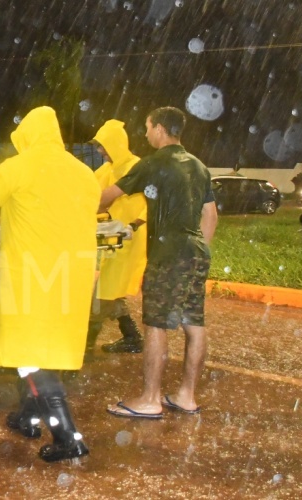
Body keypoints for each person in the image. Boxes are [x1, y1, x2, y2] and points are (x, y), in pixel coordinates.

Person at [0, 106, 100, 462]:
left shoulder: (20, 167)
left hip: (34, 276)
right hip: (72, 277)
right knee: (49, 348)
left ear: (27, 135)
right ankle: (27, 417)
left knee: (31, 357)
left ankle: (68, 438)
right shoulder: (84, 173)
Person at [101, 106, 218, 419]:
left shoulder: (153, 164)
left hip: (168, 255)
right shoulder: (198, 165)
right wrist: (197, 250)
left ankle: (150, 399)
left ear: (160, 129)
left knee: (155, 324)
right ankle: (186, 396)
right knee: (194, 324)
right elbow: (210, 215)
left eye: (148, 127)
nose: (145, 133)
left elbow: (108, 196)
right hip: (196, 253)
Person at [86, 120, 148, 358]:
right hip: (115, 238)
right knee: (113, 287)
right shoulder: (108, 169)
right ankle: (131, 337)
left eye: (103, 146)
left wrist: (133, 225)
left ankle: (84, 349)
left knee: (104, 291)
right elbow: (89, 189)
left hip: (133, 238)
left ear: (116, 144)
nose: (100, 151)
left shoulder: (137, 167)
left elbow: (151, 203)